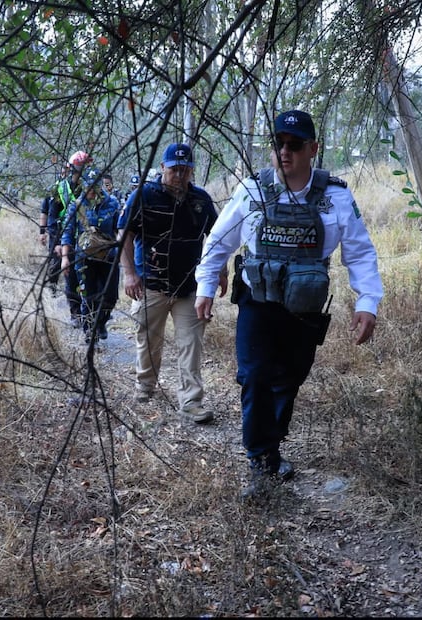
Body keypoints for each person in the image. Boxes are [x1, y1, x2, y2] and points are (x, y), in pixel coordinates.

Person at [194, 110, 383, 498]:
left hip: (304, 307)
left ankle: (271, 445)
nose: (285, 151)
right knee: (255, 377)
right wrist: (205, 286)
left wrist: (368, 301)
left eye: (294, 145)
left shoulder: (335, 196)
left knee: (290, 378)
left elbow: (360, 252)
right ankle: (260, 462)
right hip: (258, 302)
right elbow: (219, 240)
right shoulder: (253, 190)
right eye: (278, 143)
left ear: (313, 149)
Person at [118, 143, 228, 424]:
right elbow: (125, 234)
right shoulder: (143, 195)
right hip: (150, 284)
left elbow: (217, 238)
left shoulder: (201, 200)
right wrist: (129, 274)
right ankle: (145, 385)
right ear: (163, 168)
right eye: (174, 169)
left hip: (189, 286)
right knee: (148, 338)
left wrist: (221, 271)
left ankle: (191, 401)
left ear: (192, 171)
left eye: (185, 170)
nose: (179, 175)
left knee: (191, 343)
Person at [60, 168, 122, 343]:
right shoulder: (76, 205)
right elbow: (68, 232)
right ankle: (90, 335)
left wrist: (120, 248)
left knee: (110, 297)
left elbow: (120, 228)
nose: (91, 191)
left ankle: (100, 323)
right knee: (88, 296)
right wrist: (65, 257)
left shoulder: (112, 203)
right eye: (88, 187)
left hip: (108, 256)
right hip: (84, 258)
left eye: (95, 187)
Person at [51, 150, 92, 328]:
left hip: (88, 240)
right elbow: (53, 216)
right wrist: (57, 243)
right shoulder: (60, 188)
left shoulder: (91, 187)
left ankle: (90, 313)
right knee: (71, 278)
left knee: (90, 277)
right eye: (80, 167)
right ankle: (75, 313)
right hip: (67, 239)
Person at [39, 166, 66, 294]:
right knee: (55, 261)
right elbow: (44, 212)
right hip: (55, 232)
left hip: (71, 231)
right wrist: (42, 232)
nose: (65, 174)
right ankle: (52, 288)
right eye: (63, 172)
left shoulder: (77, 191)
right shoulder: (52, 191)